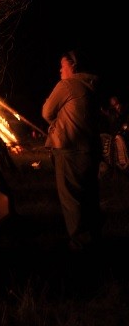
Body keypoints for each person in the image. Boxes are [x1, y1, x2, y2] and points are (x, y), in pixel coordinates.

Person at [42, 50, 103, 252]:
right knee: (90, 195)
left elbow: (47, 111)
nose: (60, 70)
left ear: (73, 66)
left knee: (72, 199)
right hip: (91, 149)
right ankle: (94, 238)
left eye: (63, 66)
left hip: (68, 149)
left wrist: (57, 120)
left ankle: (80, 244)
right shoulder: (93, 85)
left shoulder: (67, 85)